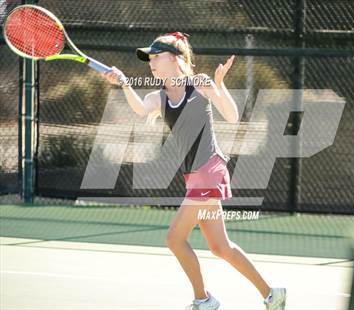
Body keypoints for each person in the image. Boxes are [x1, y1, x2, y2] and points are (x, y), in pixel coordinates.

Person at [102, 31, 286, 310]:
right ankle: (272, 294)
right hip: (196, 178)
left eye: (156, 56)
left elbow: (233, 116)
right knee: (220, 247)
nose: (151, 62)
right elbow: (140, 110)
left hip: (209, 171)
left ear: (175, 59)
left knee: (174, 239)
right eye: (148, 58)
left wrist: (219, 86)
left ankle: (204, 300)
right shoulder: (159, 97)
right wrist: (125, 83)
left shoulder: (198, 85)